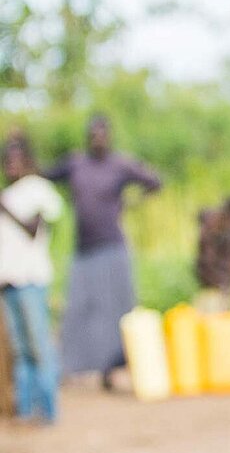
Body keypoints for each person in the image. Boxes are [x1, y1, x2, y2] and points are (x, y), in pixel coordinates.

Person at [44, 114, 161, 390]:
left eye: (102, 133)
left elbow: (154, 181)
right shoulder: (76, 163)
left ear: (109, 136)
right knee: (79, 311)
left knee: (116, 311)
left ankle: (114, 370)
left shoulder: (120, 164)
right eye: (93, 133)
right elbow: (43, 174)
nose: (97, 138)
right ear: (88, 137)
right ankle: (72, 369)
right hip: (83, 250)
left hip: (113, 247)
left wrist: (131, 202)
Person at [0, 134, 64, 425]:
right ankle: (25, 412)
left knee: (39, 347)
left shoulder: (38, 189)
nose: (10, 165)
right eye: (6, 160)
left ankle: (48, 412)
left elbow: (33, 229)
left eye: (15, 159)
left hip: (31, 281)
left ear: (27, 161)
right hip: (7, 283)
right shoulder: (8, 194)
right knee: (20, 351)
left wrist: (7, 210)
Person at [194, 194, 230, 314]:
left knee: (216, 326)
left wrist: (221, 287)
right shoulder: (213, 231)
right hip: (209, 288)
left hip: (218, 291)